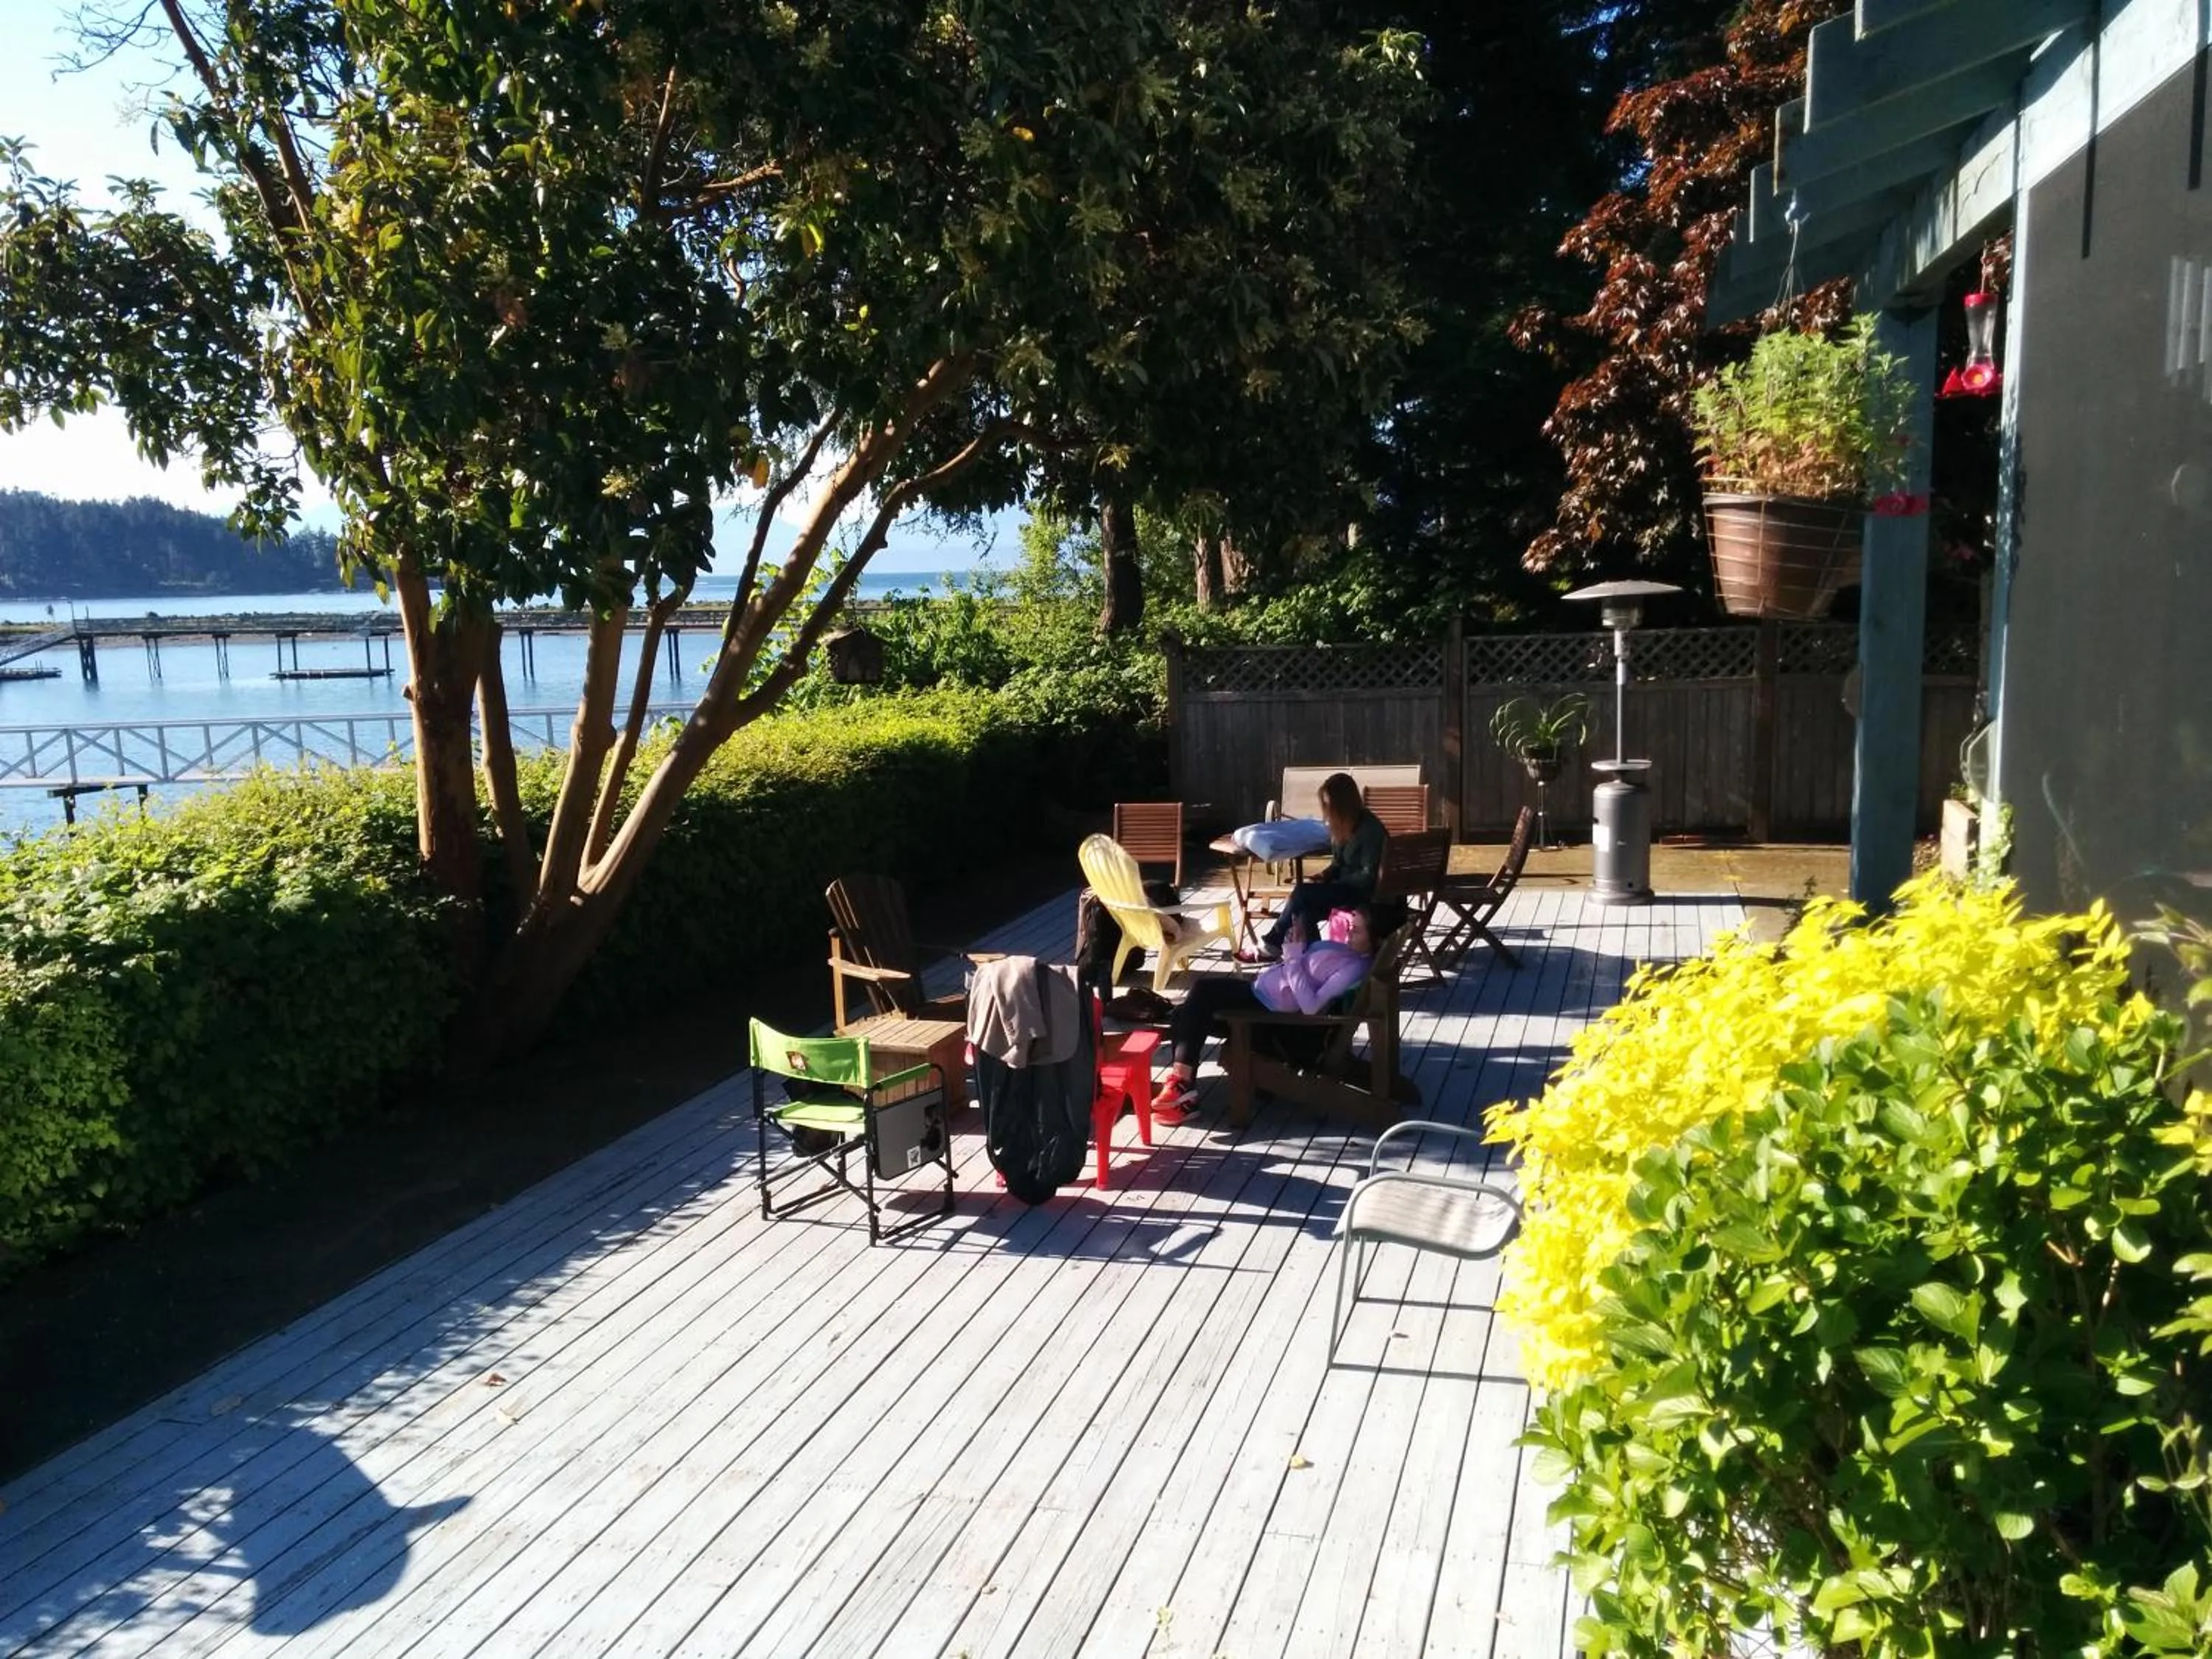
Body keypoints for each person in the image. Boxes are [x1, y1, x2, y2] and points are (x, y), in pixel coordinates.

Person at [1152, 906, 1374, 1121]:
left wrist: (1294, 957)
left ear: (1374, 939)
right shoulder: (1349, 954)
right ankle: (1183, 1091)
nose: (1348, 932)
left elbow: (1311, 1007)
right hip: (1263, 999)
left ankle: (1182, 1088)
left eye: (1357, 930)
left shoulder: (1354, 968)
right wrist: (1301, 945)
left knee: (1201, 994)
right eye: (1351, 926)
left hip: (1269, 1019)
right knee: (1185, 1013)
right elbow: (1311, 974)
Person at [1246, 771, 1385, 963]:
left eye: (1329, 806)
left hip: (1365, 894)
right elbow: (1338, 863)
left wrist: (1336, 882)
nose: (1326, 812)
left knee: (1302, 893)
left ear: (1343, 805)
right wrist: (1326, 875)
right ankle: (1319, 962)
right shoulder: (1341, 826)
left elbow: (1370, 876)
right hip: (1344, 888)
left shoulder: (1370, 830)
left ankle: (1273, 942)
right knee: (1304, 912)